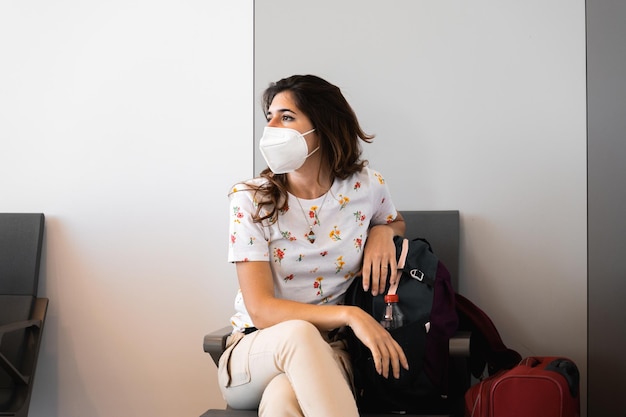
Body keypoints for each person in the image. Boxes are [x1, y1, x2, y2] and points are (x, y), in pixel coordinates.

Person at [219, 74, 408, 416]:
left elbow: (393, 220)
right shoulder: (250, 199)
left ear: (322, 127)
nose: (272, 127)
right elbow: (261, 310)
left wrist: (383, 232)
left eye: (286, 117)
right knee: (298, 335)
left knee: (282, 401)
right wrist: (352, 316)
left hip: (331, 352)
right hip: (254, 352)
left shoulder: (365, 187)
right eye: (270, 118)